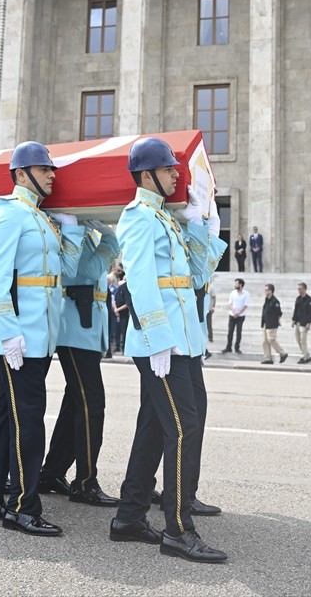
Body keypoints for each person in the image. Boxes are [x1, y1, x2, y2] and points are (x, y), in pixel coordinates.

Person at [110, 136, 227, 563]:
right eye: (170, 169)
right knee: (183, 427)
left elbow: (195, 277)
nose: (178, 174)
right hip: (162, 343)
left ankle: (129, 515)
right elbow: (139, 282)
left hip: (184, 340)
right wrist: (158, 339)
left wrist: (203, 223)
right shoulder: (139, 217)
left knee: (156, 426)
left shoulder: (167, 220)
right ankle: (178, 530)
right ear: (147, 175)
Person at [0, 141, 84, 537]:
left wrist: (75, 230)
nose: (53, 174)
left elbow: (62, 274)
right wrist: (8, 333)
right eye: (45, 168)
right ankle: (22, 507)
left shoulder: (41, 218)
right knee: (28, 420)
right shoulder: (7, 211)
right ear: (21, 174)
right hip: (19, 337)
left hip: (40, 334)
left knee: (6, 415)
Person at [40, 220, 120, 507]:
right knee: (91, 404)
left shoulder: (85, 233)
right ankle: (85, 482)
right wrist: (110, 236)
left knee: (75, 403)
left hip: (87, 330)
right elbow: (87, 271)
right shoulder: (68, 231)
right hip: (73, 331)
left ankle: (51, 473)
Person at [259, 283, 287, 364]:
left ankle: (283, 353)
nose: (265, 291)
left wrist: (277, 321)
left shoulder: (275, 301)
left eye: (267, 290)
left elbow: (279, 313)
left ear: (271, 291)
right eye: (265, 290)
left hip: (272, 323)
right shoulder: (266, 300)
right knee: (265, 341)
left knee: (271, 339)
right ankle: (268, 358)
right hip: (266, 323)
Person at [221, 278, 248, 354]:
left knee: (239, 332)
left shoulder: (246, 294)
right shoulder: (233, 293)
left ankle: (237, 347)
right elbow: (230, 303)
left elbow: (245, 305)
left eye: (236, 283)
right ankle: (228, 347)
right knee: (230, 331)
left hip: (241, 315)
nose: (235, 285)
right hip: (232, 314)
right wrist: (233, 311)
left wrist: (238, 313)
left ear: (240, 285)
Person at [292, 282, 311, 364]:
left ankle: (304, 357)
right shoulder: (298, 299)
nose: (299, 290)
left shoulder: (310, 300)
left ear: (304, 289)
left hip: (304, 323)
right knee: (298, 340)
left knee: (303, 341)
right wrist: (293, 320)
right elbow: (296, 310)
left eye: (300, 289)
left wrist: (309, 323)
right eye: (298, 289)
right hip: (298, 322)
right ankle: (307, 355)